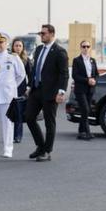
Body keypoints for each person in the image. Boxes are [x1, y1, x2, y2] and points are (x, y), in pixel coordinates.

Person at [26, 23, 68, 161]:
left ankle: (47, 151)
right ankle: (40, 145)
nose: (41, 36)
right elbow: (34, 70)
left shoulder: (59, 52)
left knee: (49, 123)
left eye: (43, 33)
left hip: (50, 92)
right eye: (40, 33)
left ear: (51, 34)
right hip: (36, 90)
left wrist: (61, 92)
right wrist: (29, 86)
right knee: (29, 117)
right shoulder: (38, 49)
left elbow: (64, 74)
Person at [71, 39, 99, 140]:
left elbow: (96, 74)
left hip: (90, 89)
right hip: (80, 89)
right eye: (84, 46)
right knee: (86, 110)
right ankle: (87, 132)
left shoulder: (92, 60)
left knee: (85, 111)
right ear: (80, 48)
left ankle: (81, 132)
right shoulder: (76, 60)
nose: (86, 48)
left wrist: (94, 80)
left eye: (88, 46)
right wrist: (87, 80)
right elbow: (75, 75)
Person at [9, 38, 31, 145]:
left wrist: (29, 88)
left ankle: (17, 135)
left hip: (21, 90)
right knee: (9, 113)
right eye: (16, 45)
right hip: (8, 89)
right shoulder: (9, 58)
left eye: (20, 46)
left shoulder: (26, 60)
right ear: (12, 47)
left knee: (18, 113)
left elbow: (31, 75)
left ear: (22, 48)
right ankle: (8, 134)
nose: (17, 48)